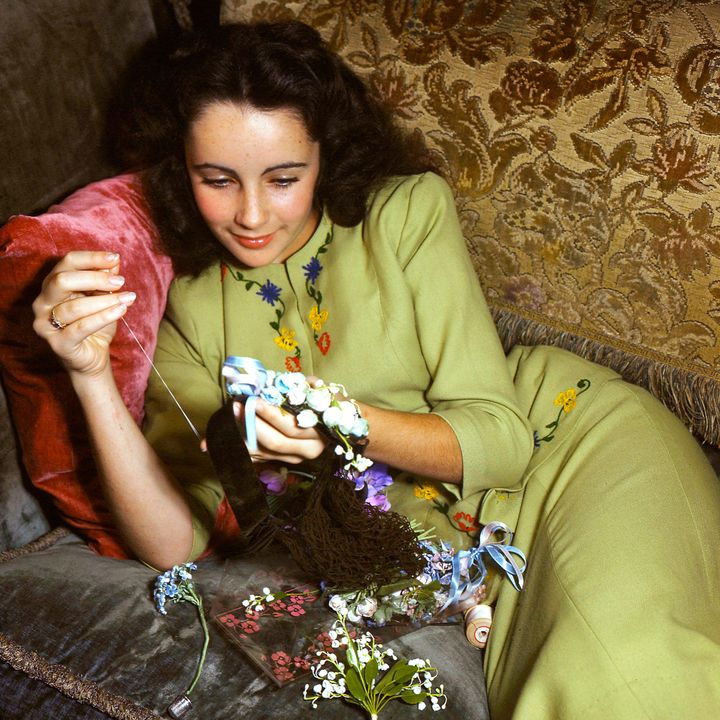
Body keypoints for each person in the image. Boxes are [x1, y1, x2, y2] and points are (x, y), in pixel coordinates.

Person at [32, 19, 720, 720]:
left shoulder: (406, 212)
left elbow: (503, 439)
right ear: (181, 167)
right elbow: (175, 546)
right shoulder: (191, 305)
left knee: (630, 676)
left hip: (573, 447)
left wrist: (339, 423)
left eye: (284, 178)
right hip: (452, 567)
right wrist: (88, 377)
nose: (251, 214)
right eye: (217, 180)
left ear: (325, 155)